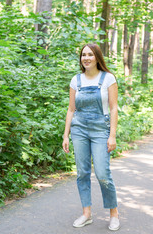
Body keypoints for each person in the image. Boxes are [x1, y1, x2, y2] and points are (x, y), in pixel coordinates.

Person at [62, 43, 120, 231]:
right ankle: (86, 214)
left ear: (97, 57)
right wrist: (65, 135)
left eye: (90, 54)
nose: (86, 58)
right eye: (83, 55)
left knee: (103, 173)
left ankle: (114, 214)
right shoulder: (75, 80)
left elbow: (113, 108)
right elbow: (71, 109)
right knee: (82, 173)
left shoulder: (108, 78)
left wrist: (112, 135)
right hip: (79, 130)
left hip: (100, 130)